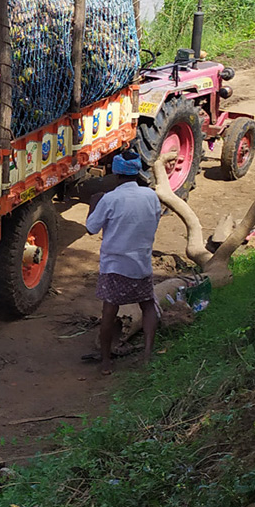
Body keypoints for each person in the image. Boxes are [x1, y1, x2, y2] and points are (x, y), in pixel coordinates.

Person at [85, 150, 163, 375]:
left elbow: (91, 228)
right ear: (137, 172)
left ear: (116, 174)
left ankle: (106, 362)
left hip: (115, 266)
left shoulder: (110, 198)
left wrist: (93, 203)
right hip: (141, 264)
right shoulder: (151, 196)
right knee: (148, 305)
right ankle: (148, 354)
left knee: (109, 312)